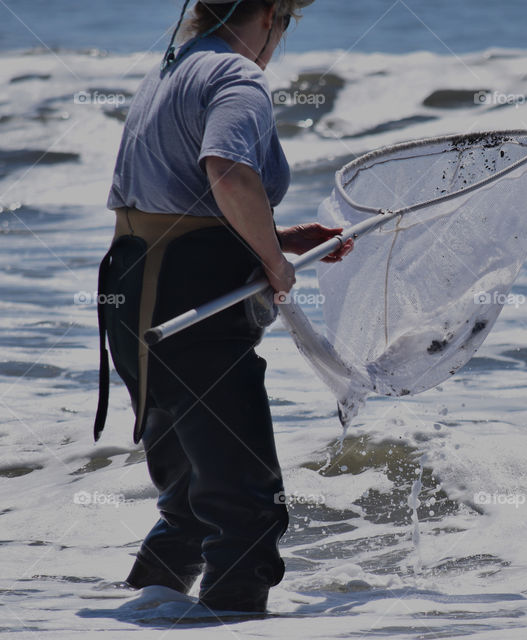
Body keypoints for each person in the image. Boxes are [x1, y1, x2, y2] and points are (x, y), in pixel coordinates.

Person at [94, 0, 351, 613]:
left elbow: (169, 196)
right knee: (245, 514)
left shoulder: (170, 67)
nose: (280, 40)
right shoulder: (236, 76)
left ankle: (138, 618)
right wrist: (275, 261)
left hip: (133, 297)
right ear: (269, 15)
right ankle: (230, 624)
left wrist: (276, 237)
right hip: (193, 305)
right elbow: (228, 171)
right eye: (286, 24)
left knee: (187, 504)